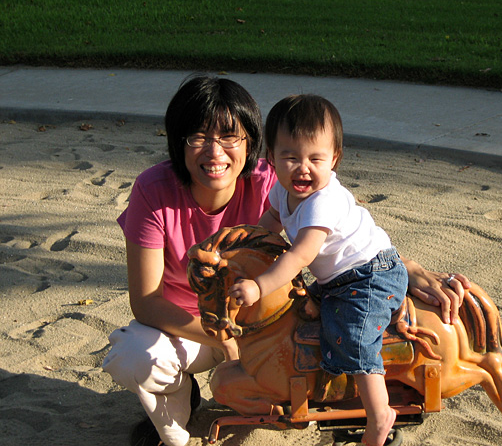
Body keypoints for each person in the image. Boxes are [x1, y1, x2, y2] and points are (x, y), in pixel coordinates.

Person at [102, 74, 470, 446]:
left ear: (250, 144)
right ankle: (180, 399)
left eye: (230, 137)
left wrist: (408, 269)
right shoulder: (154, 190)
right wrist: (224, 337)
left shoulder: (278, 181)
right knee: (133, 357)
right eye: (198, 137)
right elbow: (146, 302)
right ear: (178, 141)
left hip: (263, 325)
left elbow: (345, 235)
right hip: (190, 329)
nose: (215, 153)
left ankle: (358, 411)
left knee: (335, 335)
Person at [230, 94, 408, 446]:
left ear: (334, 160)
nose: (303, 168)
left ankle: (379, 414)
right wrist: (247, 244)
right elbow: (269, 224)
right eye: (290, 157)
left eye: (316, 158)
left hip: (370, 274)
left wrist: (258, 286)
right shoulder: (283, 192)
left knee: (356, 337)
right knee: (301, 312)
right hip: (335, 279)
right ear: (272, 160)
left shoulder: (323, 202)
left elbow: (298, 256)